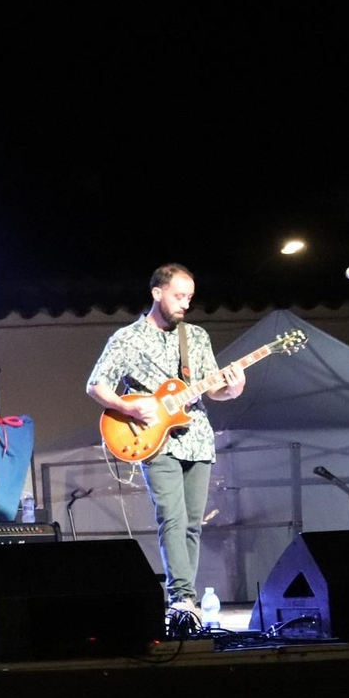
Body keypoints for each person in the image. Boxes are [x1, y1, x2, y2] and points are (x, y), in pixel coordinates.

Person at [86, 263, 245, 616]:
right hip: (155, 439)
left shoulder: (196, 337)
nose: (185, 304)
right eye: (178, 296)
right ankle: (182, 597)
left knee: (192, 522)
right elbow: (96, 384)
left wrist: (232, 389)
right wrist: (128, 408)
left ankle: (184, 596)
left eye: (189, 297)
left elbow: (212, 388)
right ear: (157, 293)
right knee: (171, 517)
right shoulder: (126, 339)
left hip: (197, 438)